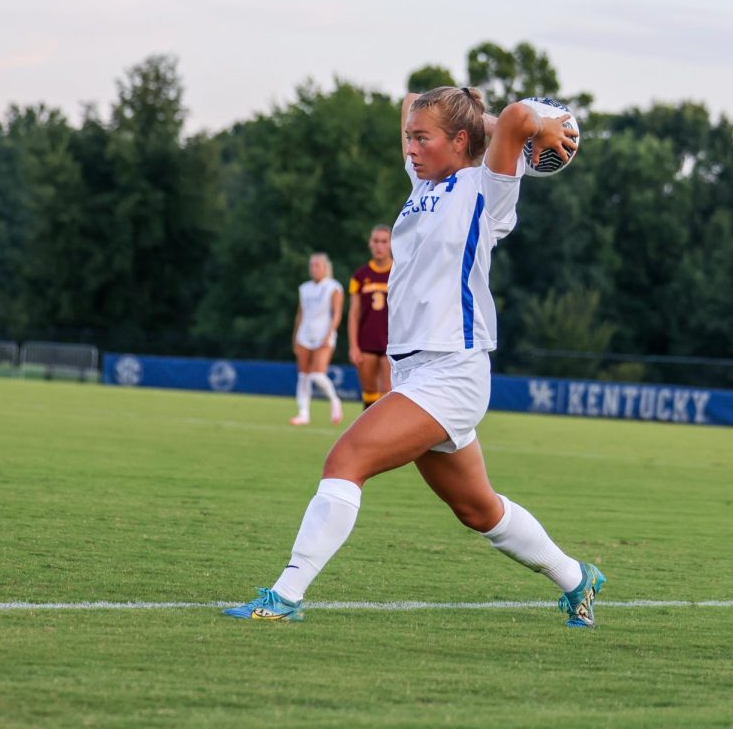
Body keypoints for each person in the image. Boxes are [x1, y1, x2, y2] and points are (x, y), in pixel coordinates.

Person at [226, 86, 605, 628]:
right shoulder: (426, 181)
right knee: (479, 509)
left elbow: (521, 117)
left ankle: (284, 597)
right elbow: (410, 100)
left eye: (422, 139)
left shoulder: (487, 188)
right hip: (416, 369)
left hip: (451, 369)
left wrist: (528, 127)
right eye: (409, 139)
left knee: (345, 461)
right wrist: (470, 113)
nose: (410, 148)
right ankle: (576, 579)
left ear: (460, 140)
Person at [291, 253, 344, 426]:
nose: (314, 269)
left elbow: (336, 313)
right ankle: (303, 413)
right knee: (303, 376)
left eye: (318, 265)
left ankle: (335, 400)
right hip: (305, 335)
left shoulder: (333, 287)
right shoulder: (304, 288)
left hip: (323, 335)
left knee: (316, 375)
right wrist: (295, 337)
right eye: (312, 265)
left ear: (325, 267)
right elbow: (300, 314)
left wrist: (329, 333)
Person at [347, 225, 393, 410]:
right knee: (369, 391)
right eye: (376, 241)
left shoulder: (399, 272)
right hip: (367, 342)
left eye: (384, 241)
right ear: (370, 244)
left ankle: (389, 435)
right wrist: (353, 346)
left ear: (391, 244)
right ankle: (370, 435)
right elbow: (354, 314)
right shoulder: (360, 276)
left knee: (389, 390)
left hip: (392, 343)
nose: (379, 246)